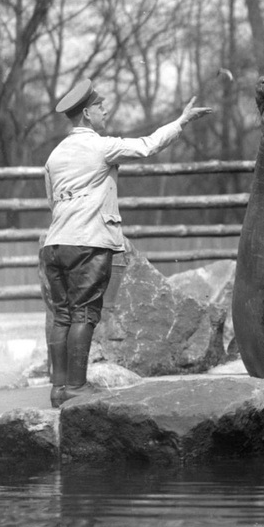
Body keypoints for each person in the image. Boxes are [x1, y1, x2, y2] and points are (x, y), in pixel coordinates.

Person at [40, 78, 212, 408]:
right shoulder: (100, 146)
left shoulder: (54, 154)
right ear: (87, 114)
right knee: (84, 315)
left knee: (62, 316)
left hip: (55, 244)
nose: (106, 109)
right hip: (87, 244)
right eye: (101, 105)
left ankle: (59, 389)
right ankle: (76, 387)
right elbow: (148, 146)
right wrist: (182, 121)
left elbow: (52, 201)